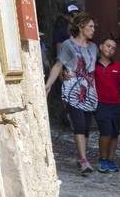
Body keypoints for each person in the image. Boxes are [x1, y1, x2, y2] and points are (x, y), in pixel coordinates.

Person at [43, 10, 100, 176]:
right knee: (79, 124)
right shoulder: (68, 45)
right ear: (82, 27)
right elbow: (59, 65)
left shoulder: (94, 47)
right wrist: (49, 84)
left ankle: (82, 156)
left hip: (90, 90)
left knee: (87, 127)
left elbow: (94, 70)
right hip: (72, 90)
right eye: (90, 26)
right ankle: (83, 161)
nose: (93, 29)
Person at [92, 37, 120, 173]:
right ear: (101, 47)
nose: (110, 49)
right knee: (105, 132)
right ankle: (102, 159)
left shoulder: (118, 67)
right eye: (108, 46)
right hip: (101, 104)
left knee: (115, 133)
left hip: (116, 105)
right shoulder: (93, 66)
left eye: (113, 48)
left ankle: (111, 159)